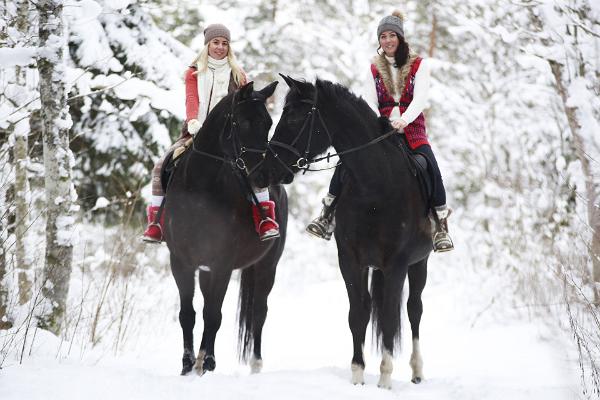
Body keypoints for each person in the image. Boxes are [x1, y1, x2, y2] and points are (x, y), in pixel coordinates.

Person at [306, 11, 454, 252]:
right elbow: (369, 99)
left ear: (400, 38)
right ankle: (327, 214)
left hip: (412, 131)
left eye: (391, 35)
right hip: (381, 132)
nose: (387, 41)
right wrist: (381, 121)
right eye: (383, 36)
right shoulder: (374, 68)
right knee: (347, 162)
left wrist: (404, 120)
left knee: (430, 165)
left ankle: (440, 225)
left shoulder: (419, 65)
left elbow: (420, 99)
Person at [142, 23, 280, 243]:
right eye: (216, 42)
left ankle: (264, 218)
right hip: (195, 131)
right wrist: (194, 121)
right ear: (207, 45)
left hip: (230, 137)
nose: (220, 47)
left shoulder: (238, 74)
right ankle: (157, 222)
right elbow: (191, 99)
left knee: (253, 163)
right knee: (161, 165)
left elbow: (244, 106)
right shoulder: (194, 72)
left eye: (224, 43)